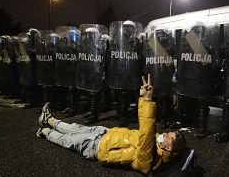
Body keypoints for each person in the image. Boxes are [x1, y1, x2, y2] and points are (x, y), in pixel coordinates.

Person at [36, 74, 187, 174]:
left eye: (169, 136)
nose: (165, 133)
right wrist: (142, 97)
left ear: (168, 147)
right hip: (105, 132)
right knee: (74, 127)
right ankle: (49, 119)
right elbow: (144, 122)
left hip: (97, 147)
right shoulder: (156, 139)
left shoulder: (151, 160)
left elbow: (147, 130)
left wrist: (148, 100)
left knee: (67, 139)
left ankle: (44, 131)